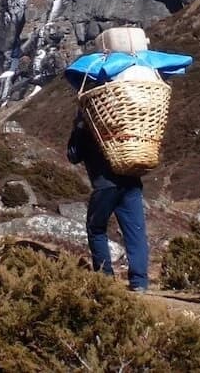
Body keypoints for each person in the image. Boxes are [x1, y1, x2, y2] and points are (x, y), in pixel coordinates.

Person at [67, 110, 150, 291]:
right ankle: (140, 283)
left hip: (106, 185)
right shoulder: (122, 118)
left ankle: (105, 278)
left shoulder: (87, 126)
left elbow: (73, 155)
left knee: (96, 229)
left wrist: (77, 128)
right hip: (131, 181)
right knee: (135, 232)